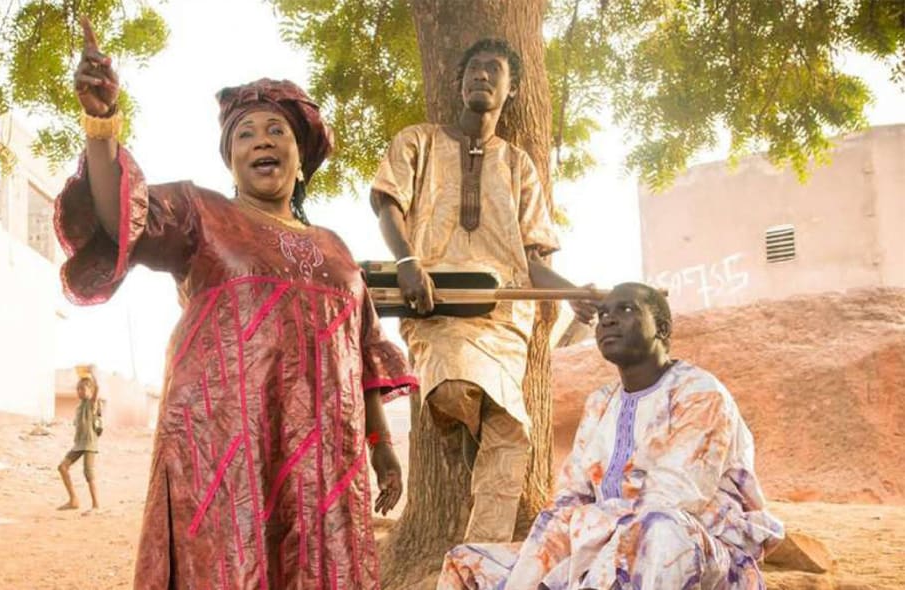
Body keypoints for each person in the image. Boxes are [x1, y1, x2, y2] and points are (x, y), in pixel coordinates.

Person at [57, 17, 416, 589]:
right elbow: (117, 216)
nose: (263, 141)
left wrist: (382, 448)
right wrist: (102, 127)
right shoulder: (201, 213)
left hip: (325, 464)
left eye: (278, 131)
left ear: (301, 157)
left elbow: (365, 359)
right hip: (223, 450)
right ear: (230, 159)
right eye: (246, 134)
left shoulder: (339, 252)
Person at [370, 38, 591, 543]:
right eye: (474, 68)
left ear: (511, 91)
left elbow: (534, 259)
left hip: (503, 318)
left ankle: (481, 559)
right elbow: (387, 205)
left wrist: (575, 291)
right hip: (435, 305)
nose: (483, 76)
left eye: (495, 70)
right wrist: (407, 261)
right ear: (459, 81)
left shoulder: (518, 166)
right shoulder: (417, 141)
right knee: (452, 386)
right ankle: (469, 441)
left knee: (510, 431)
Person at [438, 283, 784, 589]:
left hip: (695, 550)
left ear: (662, 328)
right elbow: (570, 497)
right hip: (595, 544)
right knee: (466, 561)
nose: (608, 319)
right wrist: (548, 570)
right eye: (603, 313)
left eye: (627, 309)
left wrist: (583, 542)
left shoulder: (700, 394)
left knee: (658, 529)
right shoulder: (600, 403)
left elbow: (671, 499)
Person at [57, 375, 102, 511]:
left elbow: (97, 389)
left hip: (89, 443)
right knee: (62, 467)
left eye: (83, 389)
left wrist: (93, 374)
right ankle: (73, 500)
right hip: (79, 444)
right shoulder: (79, 407)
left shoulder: (91, 404)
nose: (80, 392)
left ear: (90, 390)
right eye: (78, 389)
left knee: (88, 473)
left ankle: (96, 506)